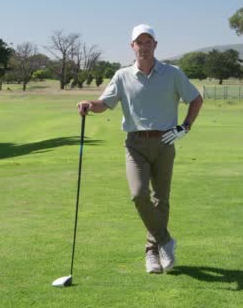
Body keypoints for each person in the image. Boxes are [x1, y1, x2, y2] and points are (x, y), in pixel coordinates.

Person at [77, 24, 203, 274]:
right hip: (135, 143)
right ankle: (165, 240)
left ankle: (152, 252)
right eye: (139, 42)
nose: (143, 47)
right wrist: (89, 105)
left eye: (148, 42)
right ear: (132, 46)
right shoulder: (122, 76)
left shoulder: (173, 73)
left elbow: (196, 99)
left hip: (165, 142)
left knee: (161, 198)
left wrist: (184, 127)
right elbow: (105, 104)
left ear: (155, 45)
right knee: (138, 194)